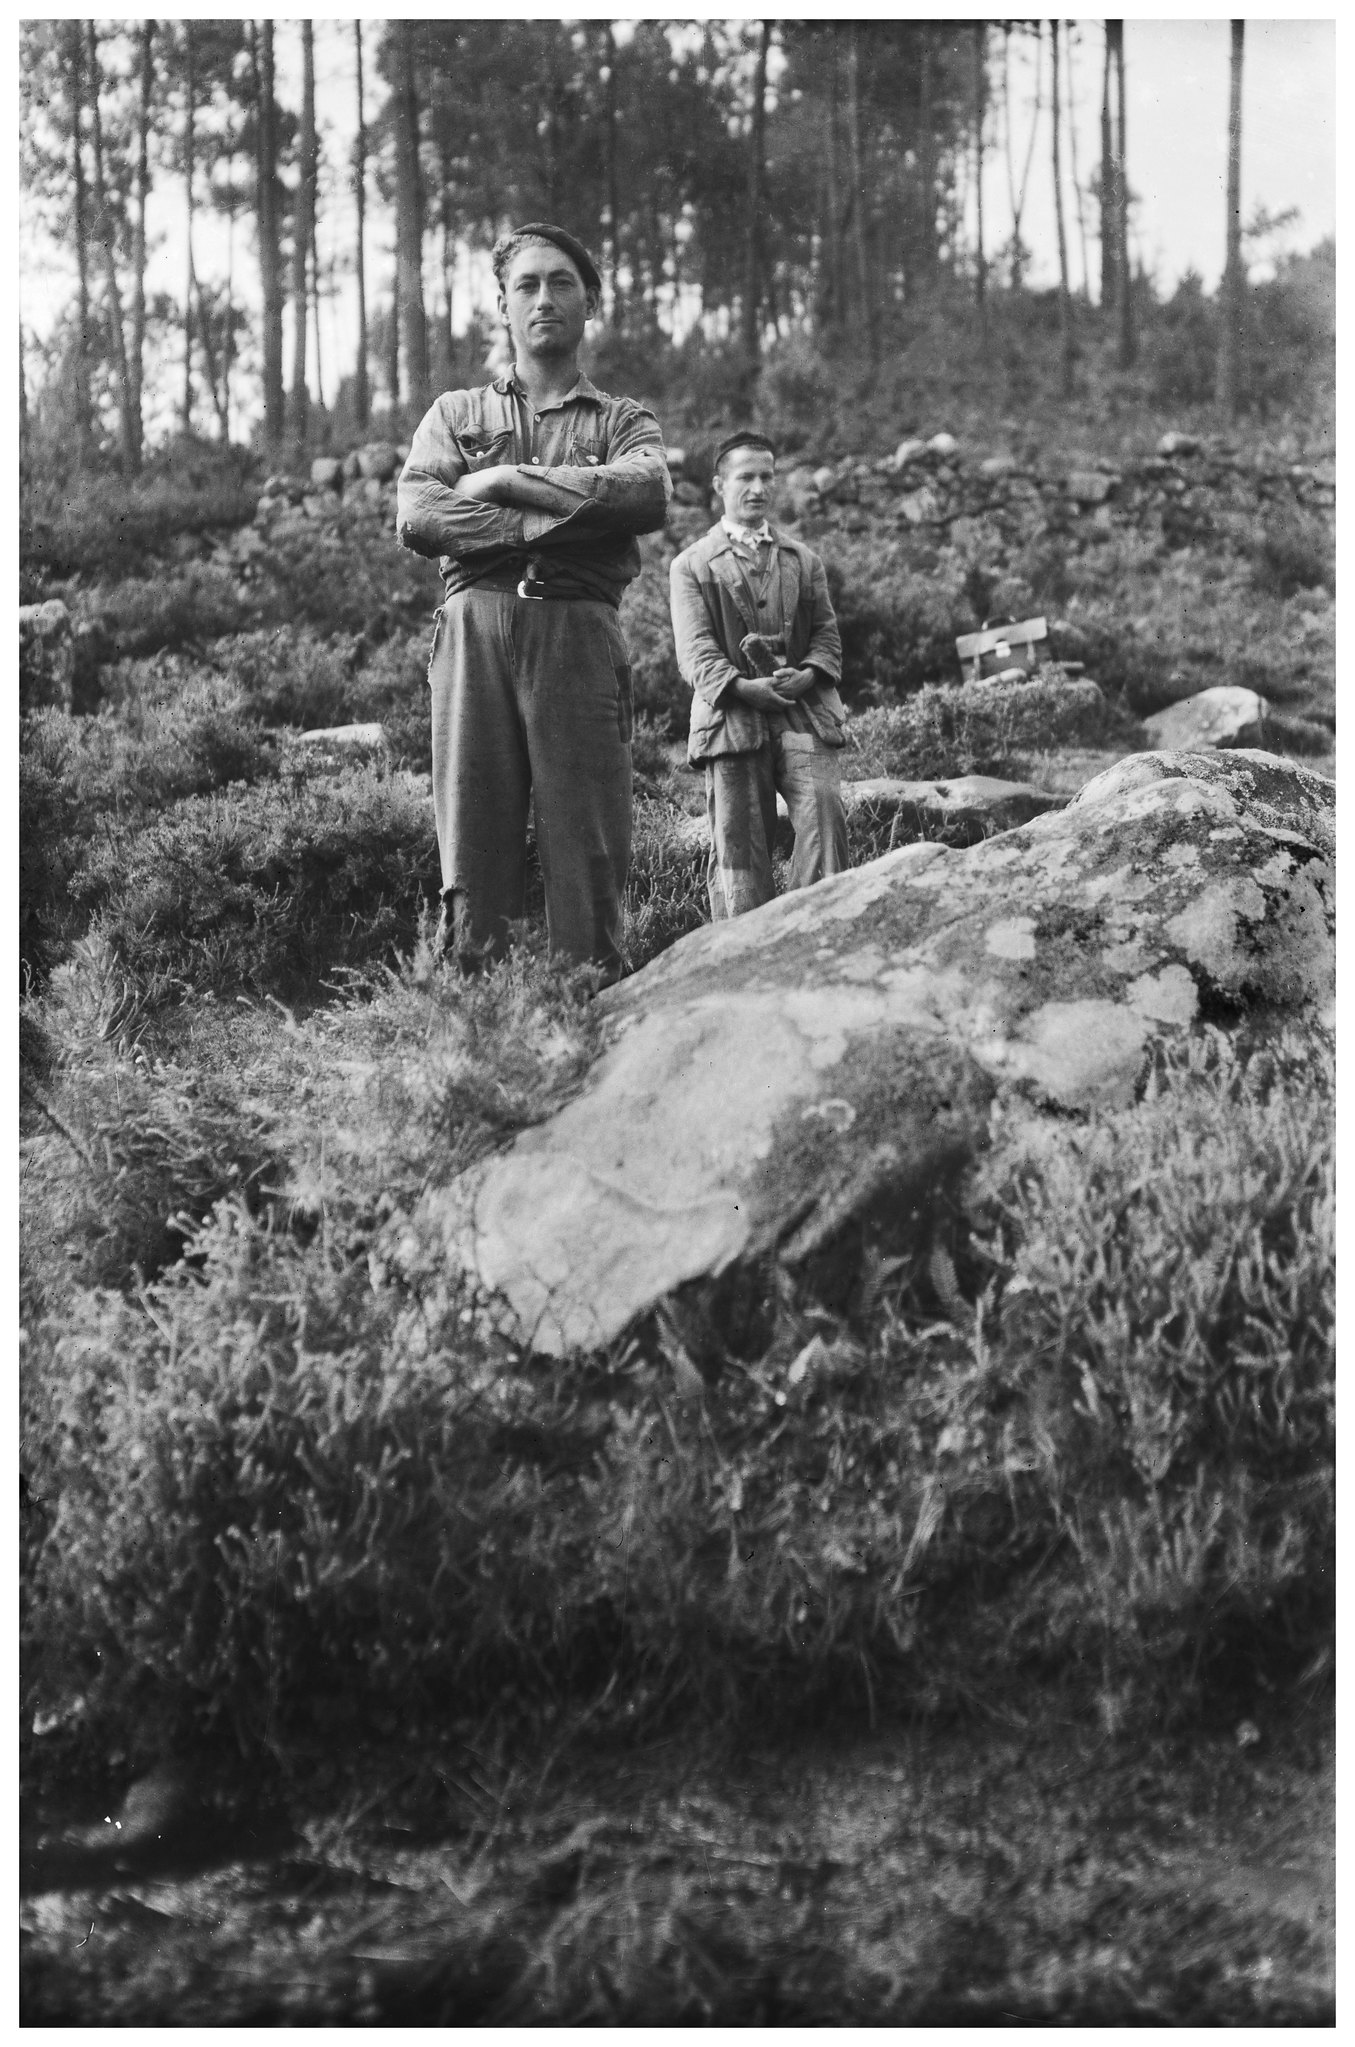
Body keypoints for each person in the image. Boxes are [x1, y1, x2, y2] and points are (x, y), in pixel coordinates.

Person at [396, 223, 671, 980]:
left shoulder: (623, 420)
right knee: (472, 847)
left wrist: (503, 481)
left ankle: (592, 1009)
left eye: (561, 282)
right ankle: (484, 1026)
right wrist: (551, 520)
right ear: (504, 307)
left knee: (589, 848)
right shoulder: (455, 414)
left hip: (578, 636)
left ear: (590, 304)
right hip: (474, 634)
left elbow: (645, 494)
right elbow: (419, 514)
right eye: (527, 285)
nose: (543, 298)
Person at [669, 431, 850, 920]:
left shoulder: (803, 560)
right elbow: (695, 651)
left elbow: (827, 635)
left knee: (824, 815)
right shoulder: (691, 565)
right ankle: (745, 949)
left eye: (767, 477)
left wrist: (808, 674)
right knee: (739, 844)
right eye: (745, 477)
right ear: (719, 485)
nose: (758, 488)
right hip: (731, 719)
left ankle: (815, 931)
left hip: (802, 714)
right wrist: (744, 687)